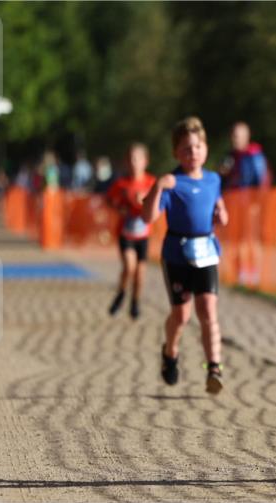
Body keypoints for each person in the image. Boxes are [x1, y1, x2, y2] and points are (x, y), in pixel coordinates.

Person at [142, 117, 229, 395]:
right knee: (181, 315)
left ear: (205, 148)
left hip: (205, 251)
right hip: (177, 254)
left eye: (197, 147)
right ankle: (170, 352)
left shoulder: (214, 179)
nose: (193, 153)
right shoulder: (172, 182)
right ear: (176, 153)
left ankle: (213, 367)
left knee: (208, 310)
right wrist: (157, 186)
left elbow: (219, 207)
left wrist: (222, 214)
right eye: (186, 148)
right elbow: (149, 216)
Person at [106, 143, 156, 320]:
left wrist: (146, 203)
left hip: (143, 234)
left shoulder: (151, 182)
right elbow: (110, 200)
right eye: (132, 159)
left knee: (140, 274)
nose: (135, 162)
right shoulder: (121, 184)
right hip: (126, 233)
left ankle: (135, 301)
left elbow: (158, 207)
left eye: (138, 158)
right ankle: (121, 293)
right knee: (129, 266)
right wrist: (121, 208)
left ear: (146, 161)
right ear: (127, 162)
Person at [220, 121, 271, 285]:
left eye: (238, 135)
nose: (234, 139)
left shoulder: (254, 156)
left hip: (250, 204)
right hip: (234, 205)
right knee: (238, 239)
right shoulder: (231, 156)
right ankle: (240, 273)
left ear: (246, 136)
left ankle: (253, 274)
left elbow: (261, 181)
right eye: (233, 135)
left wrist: (257, 204)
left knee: (251, 239)